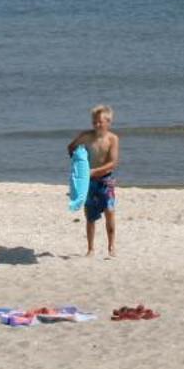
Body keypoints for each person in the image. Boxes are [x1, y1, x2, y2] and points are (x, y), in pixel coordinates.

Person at [67, 104, 121, 258]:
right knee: (90, 216)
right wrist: (79, 165)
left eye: (100, 122)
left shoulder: (113, 139)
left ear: (108, 122)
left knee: (110, 212)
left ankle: (111, 247)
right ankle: (90, 249)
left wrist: (94, 171)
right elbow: (70, 148)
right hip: (88, 182)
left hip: (106, 180)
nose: (96, 124)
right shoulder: (85, 136)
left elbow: (113, 163)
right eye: (94, 121)